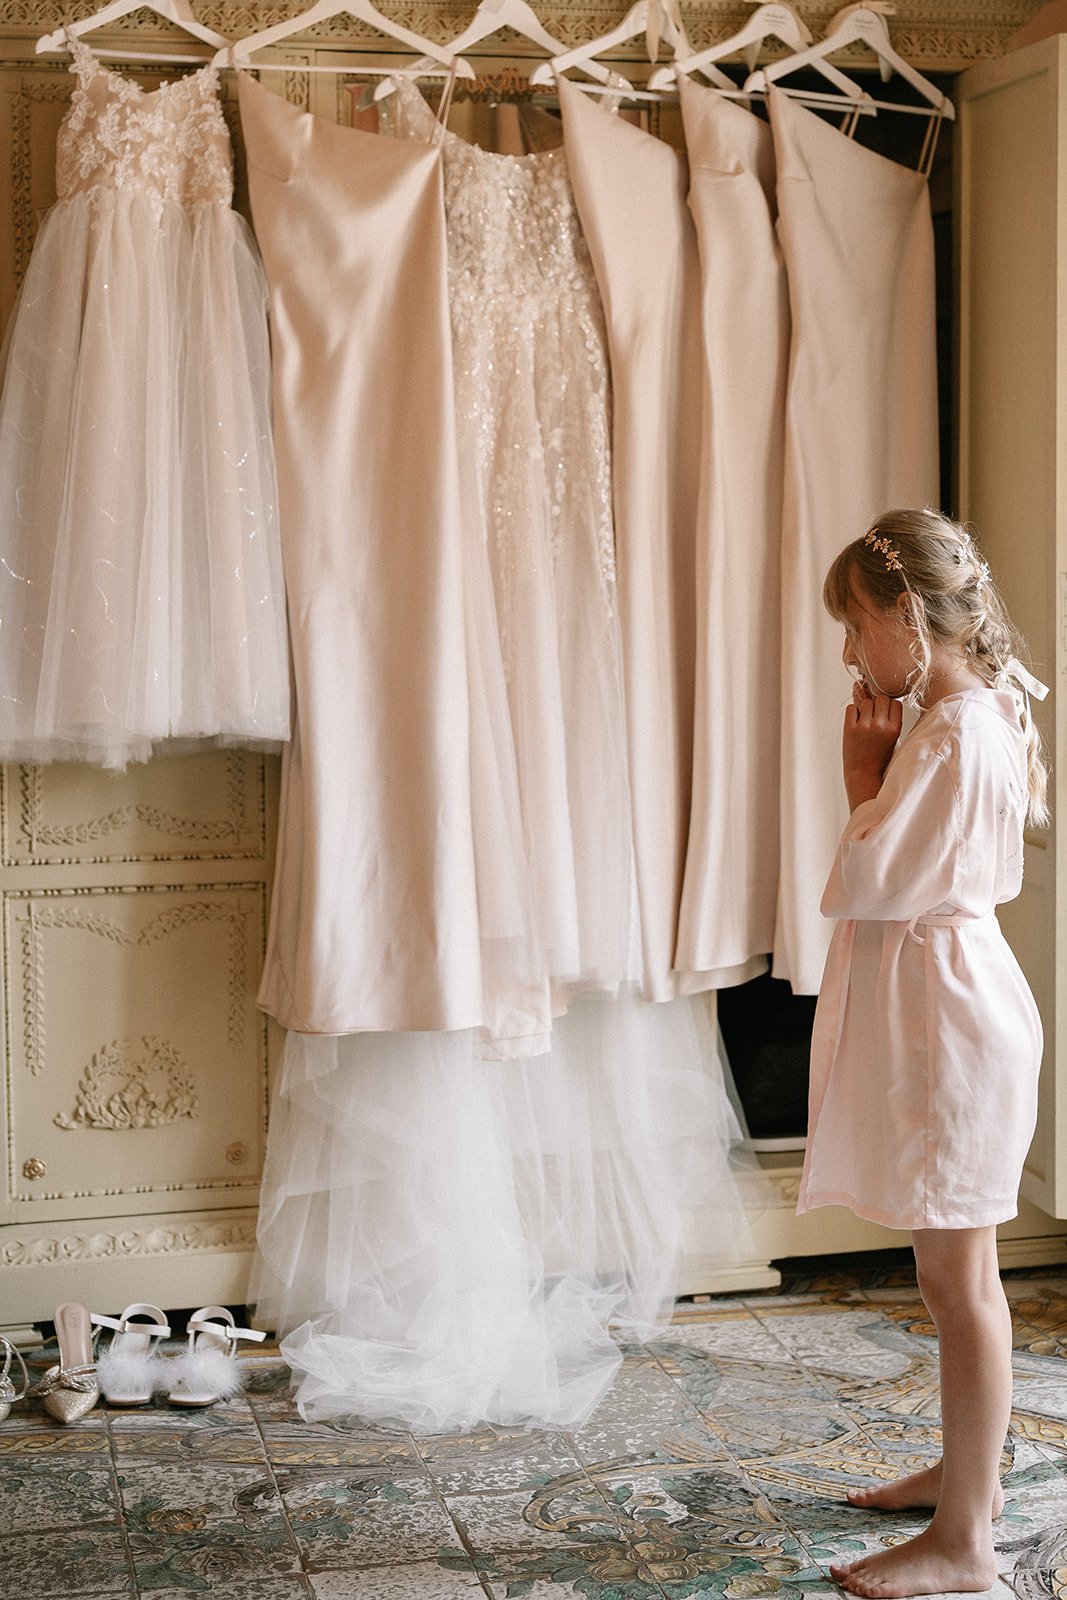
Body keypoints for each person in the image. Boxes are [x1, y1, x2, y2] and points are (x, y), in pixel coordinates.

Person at [798, 507, 1049, 1598]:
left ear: (905, 613)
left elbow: (878, 879)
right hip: (958, 999)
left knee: (957, 1281)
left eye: (854, 630)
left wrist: (861, 781)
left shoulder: (949, 730)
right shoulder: (977, 708)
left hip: (954, 1018)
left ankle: (964, 1543)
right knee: (959, 1272)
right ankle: (965, 1475)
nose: (849, 655)